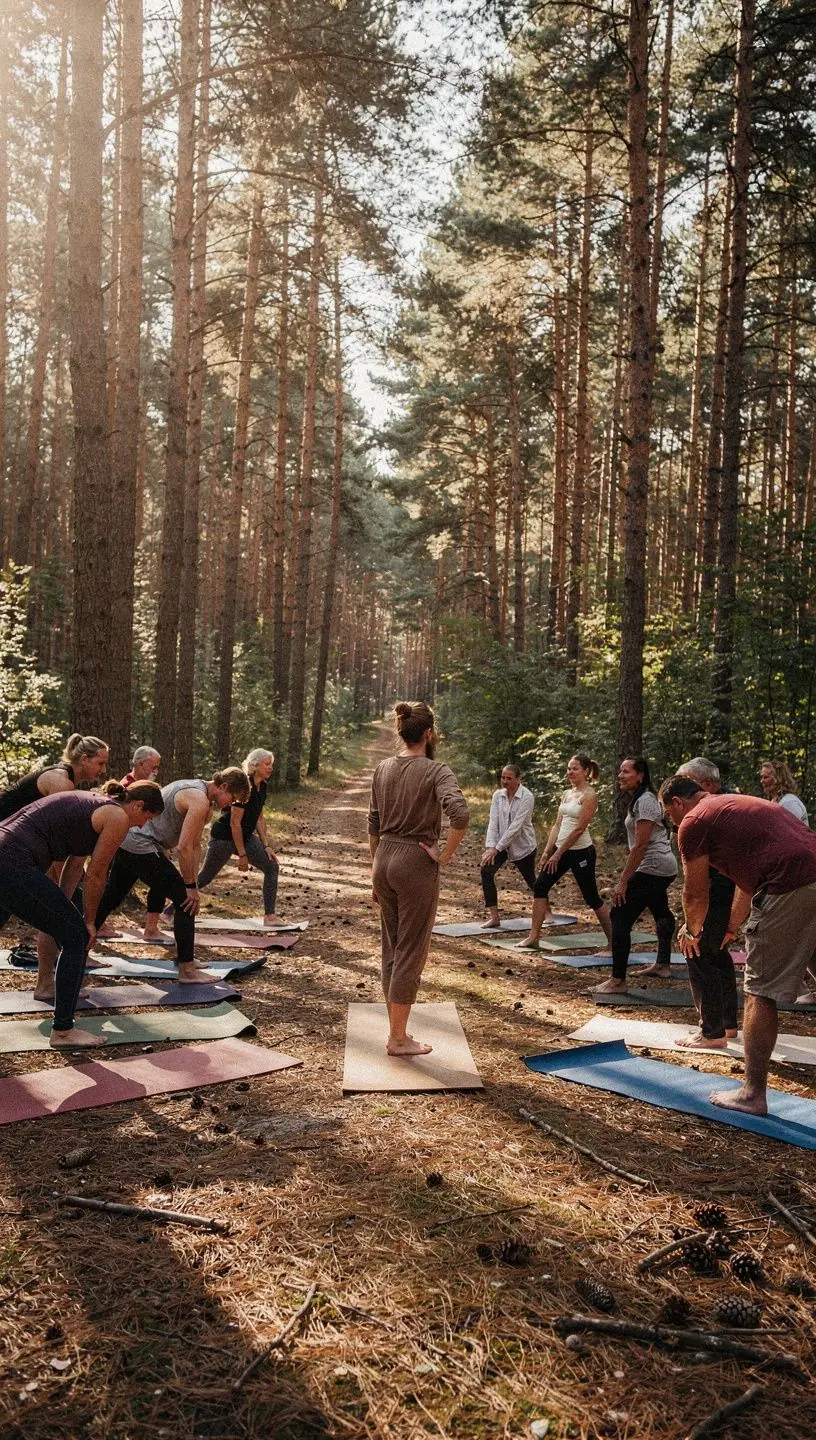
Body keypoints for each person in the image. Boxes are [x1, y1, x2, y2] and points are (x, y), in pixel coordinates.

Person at [660, 774, 816, 1116]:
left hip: (790, 883)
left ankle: (752, 1094)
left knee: (760, 990)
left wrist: (692, 930)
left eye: (668, 814)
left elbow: (695, 893)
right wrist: (731, 925)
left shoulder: (693, 821)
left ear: (677, 803)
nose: (672, 824)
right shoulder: (736, 807)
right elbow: (745, 883)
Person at [0, 782, 163, 1046]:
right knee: (76, 938)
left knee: (65, 927)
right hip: (13, 861)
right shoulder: (117, 816)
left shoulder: (94, 805)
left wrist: (59, 906)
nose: (143, 826)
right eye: (147, 818)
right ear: (138, 805)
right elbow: (97, 875)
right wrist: (88, 921)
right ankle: (63, 1031)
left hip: (6, 853)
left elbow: (76, 865)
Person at [369, 701, 469, 1056]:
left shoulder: (382, 768)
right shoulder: (436, 770)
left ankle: (397, 1031)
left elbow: (374, 825)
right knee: (410, 950)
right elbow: (460, 815)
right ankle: (397, 1038)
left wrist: (374, 871)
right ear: (429, 733)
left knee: (392, 947)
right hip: (414, 863)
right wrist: (443, 855)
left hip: (383, 859)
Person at [94, 769, 251, 977]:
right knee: (185, 900)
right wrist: (189, 888)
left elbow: (195, 846)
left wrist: (193, 882)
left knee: (112, 896)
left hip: (130, 840)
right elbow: (183, 847)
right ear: (223, 787)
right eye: (232, 798)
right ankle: (186, 968)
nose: (230, 805)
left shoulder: (203, 801)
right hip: (141, 843)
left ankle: (78, 945)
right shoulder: (198, 799)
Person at [592, 756, 677, 996]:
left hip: (653, 866)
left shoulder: (647, 801)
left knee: (619, 915)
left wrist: (623, 881)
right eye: (620, 771)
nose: (620, 775)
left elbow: (640, 846)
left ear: (640, 775)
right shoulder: (640, 800)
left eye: (626, 771)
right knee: (660, 910)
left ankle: (618, 981)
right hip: (660, 867)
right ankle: (662, 964)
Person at [670, 758, 738, 1048]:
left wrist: (690, 925)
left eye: (686, 781)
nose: (681, 787)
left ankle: (711, 1032)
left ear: (707, 785)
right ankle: (727, 1024)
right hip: (727, 886)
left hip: (717, 888)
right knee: (718, 952)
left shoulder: (706, 812)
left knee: (698, 952)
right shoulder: (724, 804)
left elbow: (696, 885)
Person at [515, 753, 612, 951]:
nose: (570, 772)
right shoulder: (567, 794)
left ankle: (614, 942)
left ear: (586, 771)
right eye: (568, 768)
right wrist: (547, 852)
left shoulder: (590, 795)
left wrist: (558, 855)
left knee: (591, 897)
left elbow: (579, 829)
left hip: (581, 852)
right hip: (561, 850)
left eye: (575, 768)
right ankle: (534, 937)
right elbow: (557, 825)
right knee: (541, 886)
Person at [197, 749, 280, 922]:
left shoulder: (263, 786)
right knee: (204, 878)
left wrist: (266, 845)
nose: (270, 768)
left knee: (272, 866)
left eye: (271, 764)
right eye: (267, 764)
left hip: (246, 837)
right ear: (255, 765)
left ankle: (270, 917)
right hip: (224, 837)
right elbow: (235, 823)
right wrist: (242, 855)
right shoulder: (243, 785)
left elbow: (259, 817)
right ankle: (169, 909)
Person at [0, 733, 109, 821]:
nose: (104, 770)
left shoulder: (66, 777)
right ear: (84, 759)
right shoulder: (61, 782)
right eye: (100, 763)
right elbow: (57, 827)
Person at [479, 763, 537, 928]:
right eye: (503, 777)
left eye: (509, 778)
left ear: (518, 779)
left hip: (523, 845)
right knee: (486, 870)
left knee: (531, 880)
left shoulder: (527, 796)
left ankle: (546, 911)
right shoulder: (498, 795)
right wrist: (491, 847)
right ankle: (494, 916)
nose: (504, 781)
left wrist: (496, 848)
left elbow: (516, 827)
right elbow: (493, 822)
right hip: (500, 845)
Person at [759, 759, 809, 826]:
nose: (761, 781)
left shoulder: (789, 802)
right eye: (761, 777)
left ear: (779, 778)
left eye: (766, 777)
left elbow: (789, 832)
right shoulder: (776, 801)